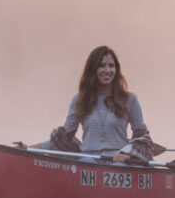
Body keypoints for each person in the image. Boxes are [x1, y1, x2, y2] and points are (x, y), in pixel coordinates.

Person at [16, 46, 151, 161]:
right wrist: (28, 148)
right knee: (86, 159)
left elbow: (142, 139)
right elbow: (60, 140)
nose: (108, 70)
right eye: (102, 65)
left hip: (118, 164)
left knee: (116, 162)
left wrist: (125, 152)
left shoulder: (130, 100)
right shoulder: (79, 100)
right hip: (87, 162)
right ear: (93, 70)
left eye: (111, 65)